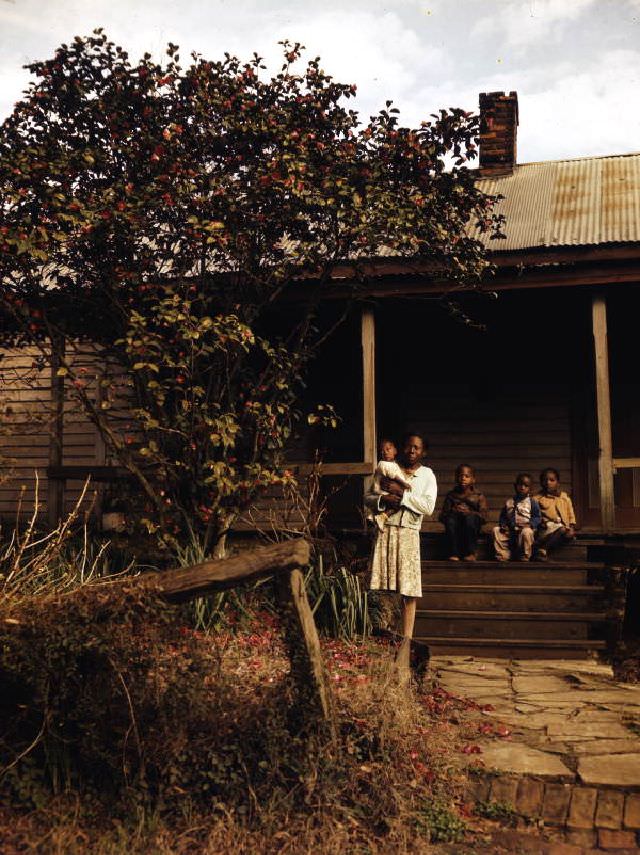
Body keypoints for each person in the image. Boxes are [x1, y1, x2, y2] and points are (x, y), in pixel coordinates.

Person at [366, 433, 437, 656]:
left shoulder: (427, 475)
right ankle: (383, 636)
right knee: (381, 586)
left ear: (423, 452)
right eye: (408, 446)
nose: (412, 451)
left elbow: (428, 506)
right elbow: (368, 496)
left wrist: (402, 495)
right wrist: (383, 499)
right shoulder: (388, 468)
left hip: (408, 534)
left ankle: (407, 641)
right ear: (401, 449)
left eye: (417, 448)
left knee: (409, 589)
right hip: (386, 530)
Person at [439, 464, 487, 561]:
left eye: (467, 476)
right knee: (451, 520)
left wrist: (470, 513)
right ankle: (454, 553)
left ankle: (471, 553)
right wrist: (453, 511)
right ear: (456, 478)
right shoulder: (451, 495)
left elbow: (484, 517)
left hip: (471, 529)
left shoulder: (478, 496)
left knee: (469, 519)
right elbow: (442, 516)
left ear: (473, 479)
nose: (463, 478)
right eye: (461, 476)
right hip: (456, 527)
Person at [493, 473, 541, 561]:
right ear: (515, 486)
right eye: (520, 485)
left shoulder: (532, 502)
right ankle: (503, 554)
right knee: (496, 530)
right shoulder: (509, 502)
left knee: (527, 532)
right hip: (511, 531)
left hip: (524, 531)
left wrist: (530, 525)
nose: (522, 487)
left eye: (526, 486)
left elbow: (537, 517)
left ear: (530, 488)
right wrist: (503, 525)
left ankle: (524, 555)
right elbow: (503, 516)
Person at [368, 438, 413, 533]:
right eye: (382, 451)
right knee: (399, 501)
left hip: (386, 489)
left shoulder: (393, 464)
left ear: (395, 451)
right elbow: (393, 475)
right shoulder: (383, 464)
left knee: (400, 502)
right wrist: (404, 483)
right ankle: (378, 516)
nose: (385, 452)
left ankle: (378, 517)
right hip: (381, 490)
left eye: (388, 449)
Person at [533, 468, 577, 561]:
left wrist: (572, 526)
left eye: (552, 480)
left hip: (564, 528)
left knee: (567, 532)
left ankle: (543, 550)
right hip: (546, 528)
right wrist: (541, 523)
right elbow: (535, 515)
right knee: (562, 530)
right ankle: (543, 549)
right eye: (545, 480)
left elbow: (570, 513)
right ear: (541, 483)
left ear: (558, 483)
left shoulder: (564, 497)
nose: (548, 483)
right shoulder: (537, 498)